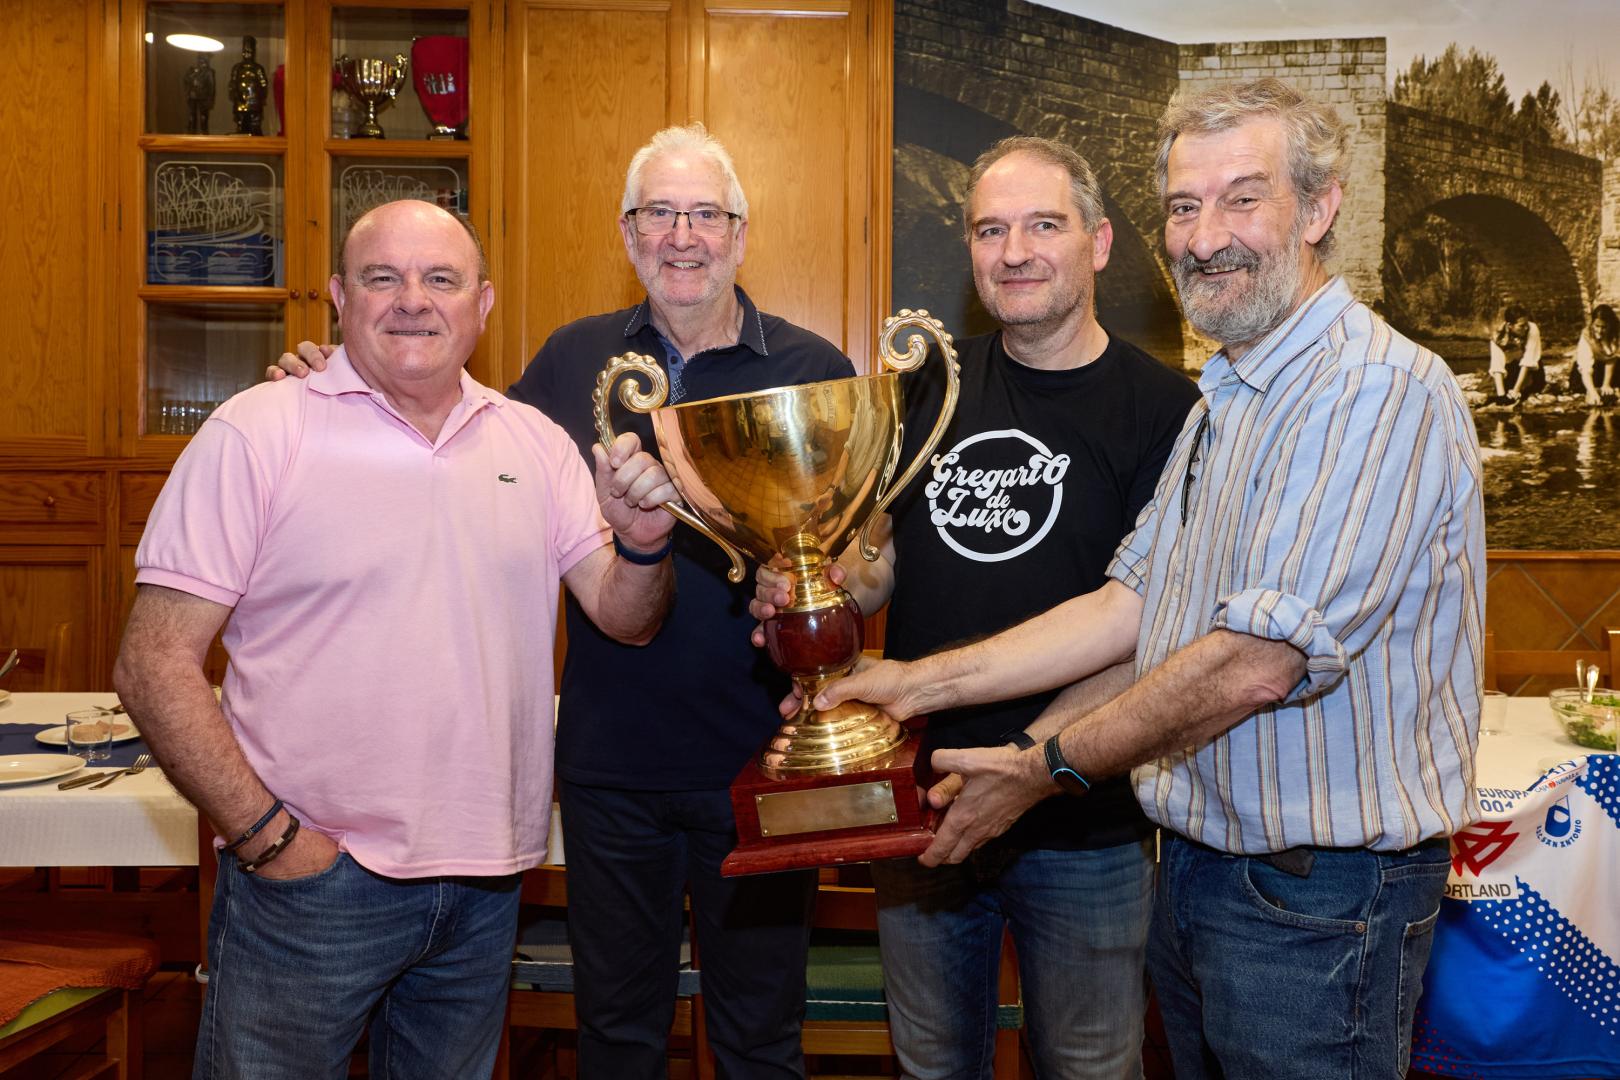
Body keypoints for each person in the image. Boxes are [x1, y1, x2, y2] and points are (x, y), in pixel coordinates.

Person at [815, 78, 1485, 1077]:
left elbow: (1252, 664)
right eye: (1183, 206)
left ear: (1318, 208)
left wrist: (1040, 768)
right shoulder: (1230, 399)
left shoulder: (1373, 390)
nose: (1205, 236)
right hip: (1207, 877)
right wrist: (919, 684)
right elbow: (1130, 605)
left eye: (1242, 199)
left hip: (1319, 902)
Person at [270, 124, 854, 1078]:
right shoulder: (569, 359)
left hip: (764, 758)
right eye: (658, 213)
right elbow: (456, 445)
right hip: (609, 763)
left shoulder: (814, 367)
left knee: (760, 1037)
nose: (682, 236)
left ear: (741, 235)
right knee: (616, 1035)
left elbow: (862, 556)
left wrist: (832, 581)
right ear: (627, 235)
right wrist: (341, 376)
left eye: (706, 215)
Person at [116, 199, 680, 1079]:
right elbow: (152, 663)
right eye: (383, 278)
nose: (413, 299)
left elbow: (624, 618)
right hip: (311, 888)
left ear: (482, 305)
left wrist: (643, 549)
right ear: (341, 298)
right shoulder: (259, 431)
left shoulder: (535, 443)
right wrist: (272, 841)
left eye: (440, 279)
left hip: (487, 887)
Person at [750, 136, 1197, 1079]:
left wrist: (1032, 764)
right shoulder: (924, 392)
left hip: (1083, 816)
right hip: (922, 805)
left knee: (1091, 1068)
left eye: (1044, 225)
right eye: (990, 230)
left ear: (1099, 243)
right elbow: (878, 563)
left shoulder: (1168, 409)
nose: (1014, 251)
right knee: (931, 1066)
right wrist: (818, 587)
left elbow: (1151, 627)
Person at [1489, 303, 1543, 401]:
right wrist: (1501, 395)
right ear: (1510, 325)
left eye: (1526, 324)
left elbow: (1528, 360)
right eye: (1521, 326)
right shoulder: (1498, 336)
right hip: (1511, 368)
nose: (1525, 328)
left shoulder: (1532, 329)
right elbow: (1497, 364)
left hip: (1529, 370)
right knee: (1494, 393)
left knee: (1527, 391)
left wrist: (1516, 390)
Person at [1569, 302, 1619, 404]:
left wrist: (1606, 384)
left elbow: (1612, 358)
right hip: (1594, 369)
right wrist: (1592, 392)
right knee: (1579, 384)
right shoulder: (1587, 335)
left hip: (1613, 368)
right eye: (1597, 326)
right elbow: (1586, 367)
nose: (1599, 330)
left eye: (1604, 327)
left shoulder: (1617, 334)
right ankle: (1593, 389)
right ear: (1592, 323)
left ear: (1610, 325)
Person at [183, 53, 215, 134]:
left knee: (203, 117)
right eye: (200, 59)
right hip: (193, 96)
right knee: (192, 116)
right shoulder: (192, 70)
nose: (201, 62)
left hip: (203, 97)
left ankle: (203, 132)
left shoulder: (208, 72)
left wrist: (210, 100)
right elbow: (186, 80)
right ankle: (192, 131)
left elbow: (211, 87)